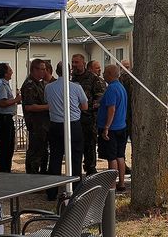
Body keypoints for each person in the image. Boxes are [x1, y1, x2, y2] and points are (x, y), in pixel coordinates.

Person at [45, 63, 88, 201]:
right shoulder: (76, 87)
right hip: (73, 124)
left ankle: (52, 192)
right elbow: (85, 105)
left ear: (57, 72)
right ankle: (76, 189)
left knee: (55, 158)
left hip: (55, 124)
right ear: (70, 71)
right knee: (75, 157)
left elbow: (47, 102)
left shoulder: (49, 87)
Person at [70, 54, 106, 175]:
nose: (74, 65)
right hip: (74, 119)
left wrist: (90, 106)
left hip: (89, 119)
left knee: (90, 147)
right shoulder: (71, 79)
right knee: (75, 147)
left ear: (83, 63)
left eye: (76, 62)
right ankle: (76, 173)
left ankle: (90, 170)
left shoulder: (92, 78)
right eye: (73, 62)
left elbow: (101, 96)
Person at [97, 64, 128, 192]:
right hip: (122, 126)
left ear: (110, 74)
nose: (103, 74)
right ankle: (121, 183)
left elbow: (111, 109)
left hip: (112, 128)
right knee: (120, 156)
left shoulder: (111, 89)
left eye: (105, 72)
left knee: (112, 157)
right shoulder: (121, 87)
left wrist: (106, 127)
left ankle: (112, 185)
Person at [21, 59, 50, 174]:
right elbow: (29, 106)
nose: (44, 71)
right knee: (35, 152)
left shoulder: (41, 83)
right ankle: (32, 176)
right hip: (36, 124)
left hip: (44, 124)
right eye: (42, 69)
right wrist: (48, 107)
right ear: (34, 69)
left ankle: (42, 173)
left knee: (43, 151)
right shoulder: (30, 85)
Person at [0, 63, 21, 173]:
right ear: (5, 73)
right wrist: (16, 100)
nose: (12, 72)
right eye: (10, 70)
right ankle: (5, 169)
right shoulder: (2, 84)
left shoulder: (2, 83)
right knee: (6, 145)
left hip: (3, 116)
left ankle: (5, 167)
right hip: (3, 117)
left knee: (7, 144)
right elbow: (2, 102)